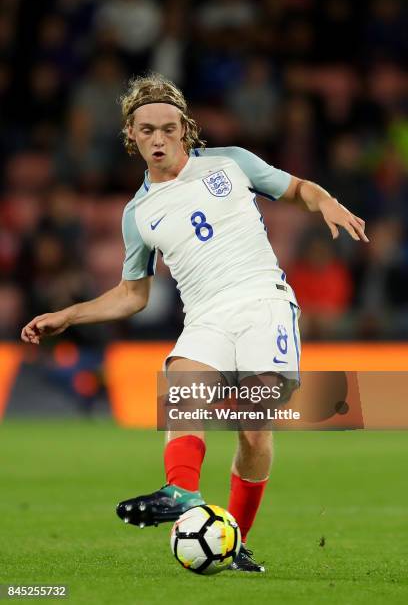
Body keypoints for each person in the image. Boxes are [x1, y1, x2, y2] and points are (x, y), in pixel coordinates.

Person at [21, 73, 368, 572]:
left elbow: (298, 190)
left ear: (184, 128)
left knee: (253, 430)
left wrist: (325, 200)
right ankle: (182, 490)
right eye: (147, 130)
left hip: (262, 300)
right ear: (131, 136)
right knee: (183, 380)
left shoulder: (232, 162)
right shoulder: (138, 213)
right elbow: (132, 294)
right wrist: (68, 316)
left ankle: (235, 538)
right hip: (205, 312)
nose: (158, 139)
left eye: (168, 127)